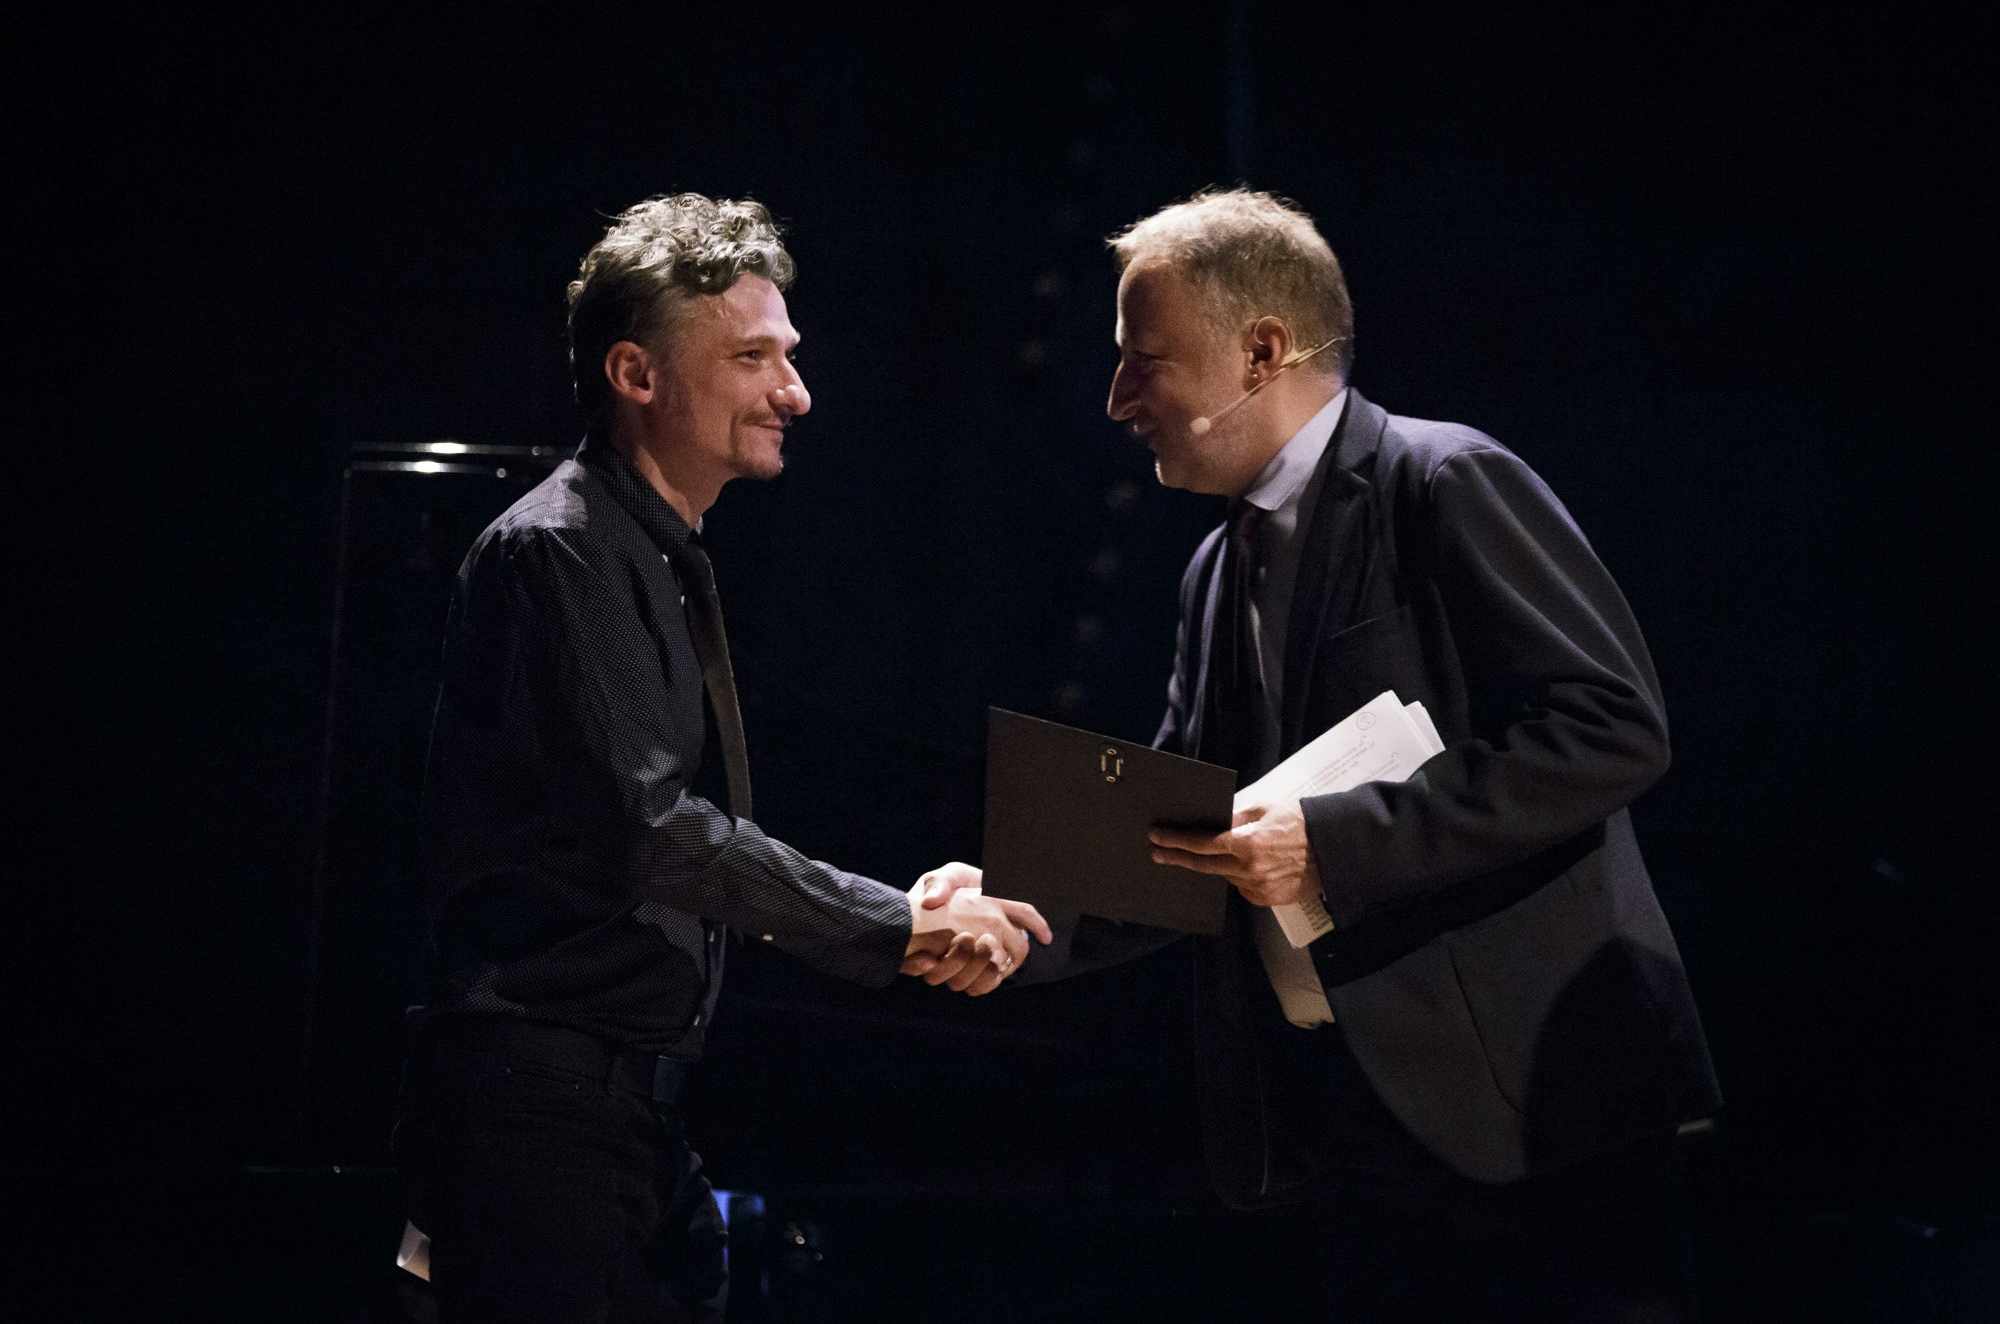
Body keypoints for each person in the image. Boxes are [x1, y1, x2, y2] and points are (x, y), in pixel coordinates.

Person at [924, 189, 1719, 1319]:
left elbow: (1612, 727)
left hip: (1534, 1113)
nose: (1116, 399)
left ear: (1260, 352)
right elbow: (1189, 835)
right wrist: (1015, 903)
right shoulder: (1216, 567)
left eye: (1144, 361)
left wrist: (1332, 842)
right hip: (1350, 1121)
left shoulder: (1440, 479)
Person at [395, 193, 1046, 1322]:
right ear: (636, 375)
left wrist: (905, 904)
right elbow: (655, 832)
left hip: (618, 1110)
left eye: (787, 355)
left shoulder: (650, 551)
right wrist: (893, 922)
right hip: (538, 1108)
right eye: (753, 358)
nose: (795, 392)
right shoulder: (559, 551)